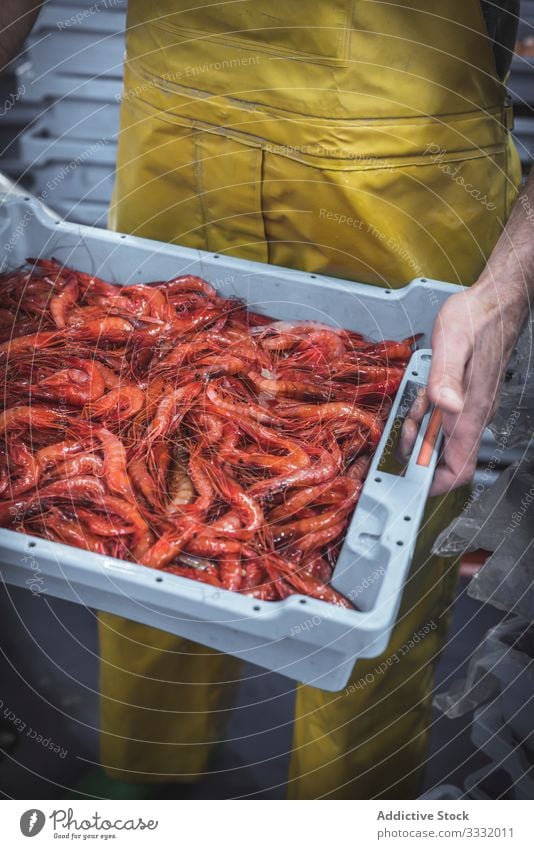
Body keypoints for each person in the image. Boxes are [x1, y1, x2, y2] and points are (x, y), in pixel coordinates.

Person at [3, 1, 532, 799]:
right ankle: (145, 790)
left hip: (412, 174)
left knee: (381, 574)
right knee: (130, 557)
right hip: (169, 142)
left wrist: (502, 295)